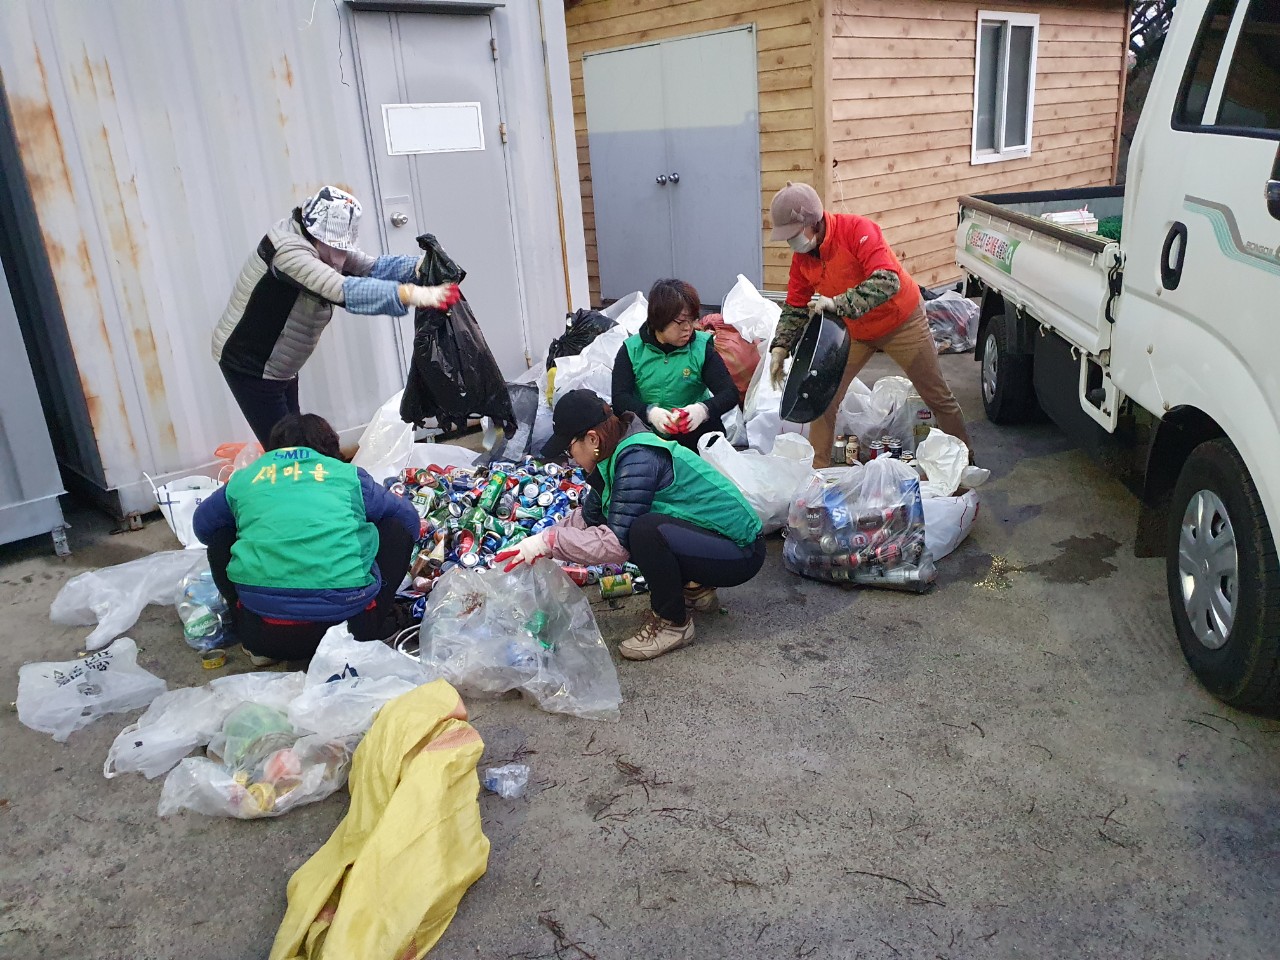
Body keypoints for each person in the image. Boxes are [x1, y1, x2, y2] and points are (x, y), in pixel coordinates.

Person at [497, 389, 765, 661]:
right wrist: (539, 541)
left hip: (741, 551)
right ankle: (696, 589)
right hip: (715, 541)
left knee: (643, 532)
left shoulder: (637, 457)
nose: (571, 459)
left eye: (569, 449)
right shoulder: (614, 454)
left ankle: (674, 624)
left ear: (592, 439)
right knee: (638, 527)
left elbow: (615, 546)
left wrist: (550, 543)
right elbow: (589, 517)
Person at [212, 185, 461, 445]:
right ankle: (294, 483)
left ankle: (303, 480)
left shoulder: (318, 239)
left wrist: (420, 267)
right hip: (250, 363)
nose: (340, 258)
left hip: (281, 362)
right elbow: (342, 289)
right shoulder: (288, 252)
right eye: (336, 248)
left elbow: (371, 267)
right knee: (285, 450)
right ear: (316, 234)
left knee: (294, 440)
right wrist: (416, 295)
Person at [766, 181, 975, 468]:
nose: (791, 242)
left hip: (901, 322)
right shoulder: (803, 258)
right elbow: (795, 305)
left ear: (813, 222)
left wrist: (838, 303)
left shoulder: (858, 230)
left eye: (793, 234)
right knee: (822, 398)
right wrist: (780, 347)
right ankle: (817, 475)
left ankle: (964, 462)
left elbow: (887, 280)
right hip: (856, 331)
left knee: (936, 395)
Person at [193, 413, 419, 665]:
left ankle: (254, 640)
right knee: (395, 529)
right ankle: (378, 619)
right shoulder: (347, 475)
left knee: (221, 534)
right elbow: (409, 521)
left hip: (263, 633)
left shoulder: (246, 478)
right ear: (330, 445)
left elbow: (202, 528)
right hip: (350, 629)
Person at [611, 279, 739, 452]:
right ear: (659, 320)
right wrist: (651, 413)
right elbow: (620, 399)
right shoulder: (631, 350)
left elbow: (729, 393)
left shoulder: (701, 349)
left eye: (692, 320)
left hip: (695, 433)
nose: (688, 328)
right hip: (647, 434)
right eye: (681, 322)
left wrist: (702, 411)